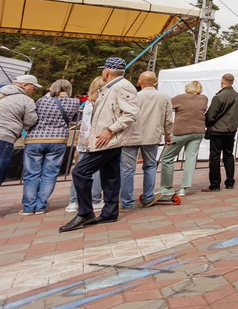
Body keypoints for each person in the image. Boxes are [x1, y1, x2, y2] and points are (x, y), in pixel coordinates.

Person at [60, 58, 139, 232]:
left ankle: (85, 212)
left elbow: (131, 113)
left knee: (80, 172)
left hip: (109, 139)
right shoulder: (113, 87)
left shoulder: (121, 87)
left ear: (106, 72)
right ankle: (109, 212)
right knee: (110, 174)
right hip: (108, 139)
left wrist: (109, 131)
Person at [22, 79, 81, 215]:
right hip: (58, 140)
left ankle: (28, 207)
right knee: (50, 174)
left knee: (31, 174)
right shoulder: (74, 102)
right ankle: (41, 205)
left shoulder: (42, 101)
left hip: (35, 139)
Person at [121, 71, 173, 209]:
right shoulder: (164, 97)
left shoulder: (133, 97)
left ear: (139, 81)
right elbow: (168, 120)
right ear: (155, 81)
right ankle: (148, 197)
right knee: (150, 167)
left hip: (131, 136)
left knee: (127, 169)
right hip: (152, 136)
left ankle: (126, 202)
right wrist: (168, 135)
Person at [159, 81, 208, 197]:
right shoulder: (204, 99)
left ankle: (167, 187)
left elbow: (166, 106)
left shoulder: (180, 98)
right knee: (190, 159)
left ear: (187, 88)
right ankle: (184, 188)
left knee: (167, 158)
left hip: (180, 131)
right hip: (198, 132)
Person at [67, 77, 105, 213]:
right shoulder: (100, 102)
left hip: (84, 139)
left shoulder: (88, 102)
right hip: (95, 139)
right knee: (95, 170)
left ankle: (73, 200)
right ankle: (94, 199)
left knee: (80, 170)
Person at [203, 73, 238, 192]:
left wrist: (208, 123)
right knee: (228, 155)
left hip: (218, 130)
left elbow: (211, 114)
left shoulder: (219, 97)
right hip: (231, 130)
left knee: (215, 157)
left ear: (222, 82)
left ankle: (215, 184)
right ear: (232, 82)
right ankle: (230, 181)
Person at [0, 74, 41, 185]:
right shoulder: (26, 100)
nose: (34, 90)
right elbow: (30, 121)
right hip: (4, 137)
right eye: (34, 87)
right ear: (25, 85)